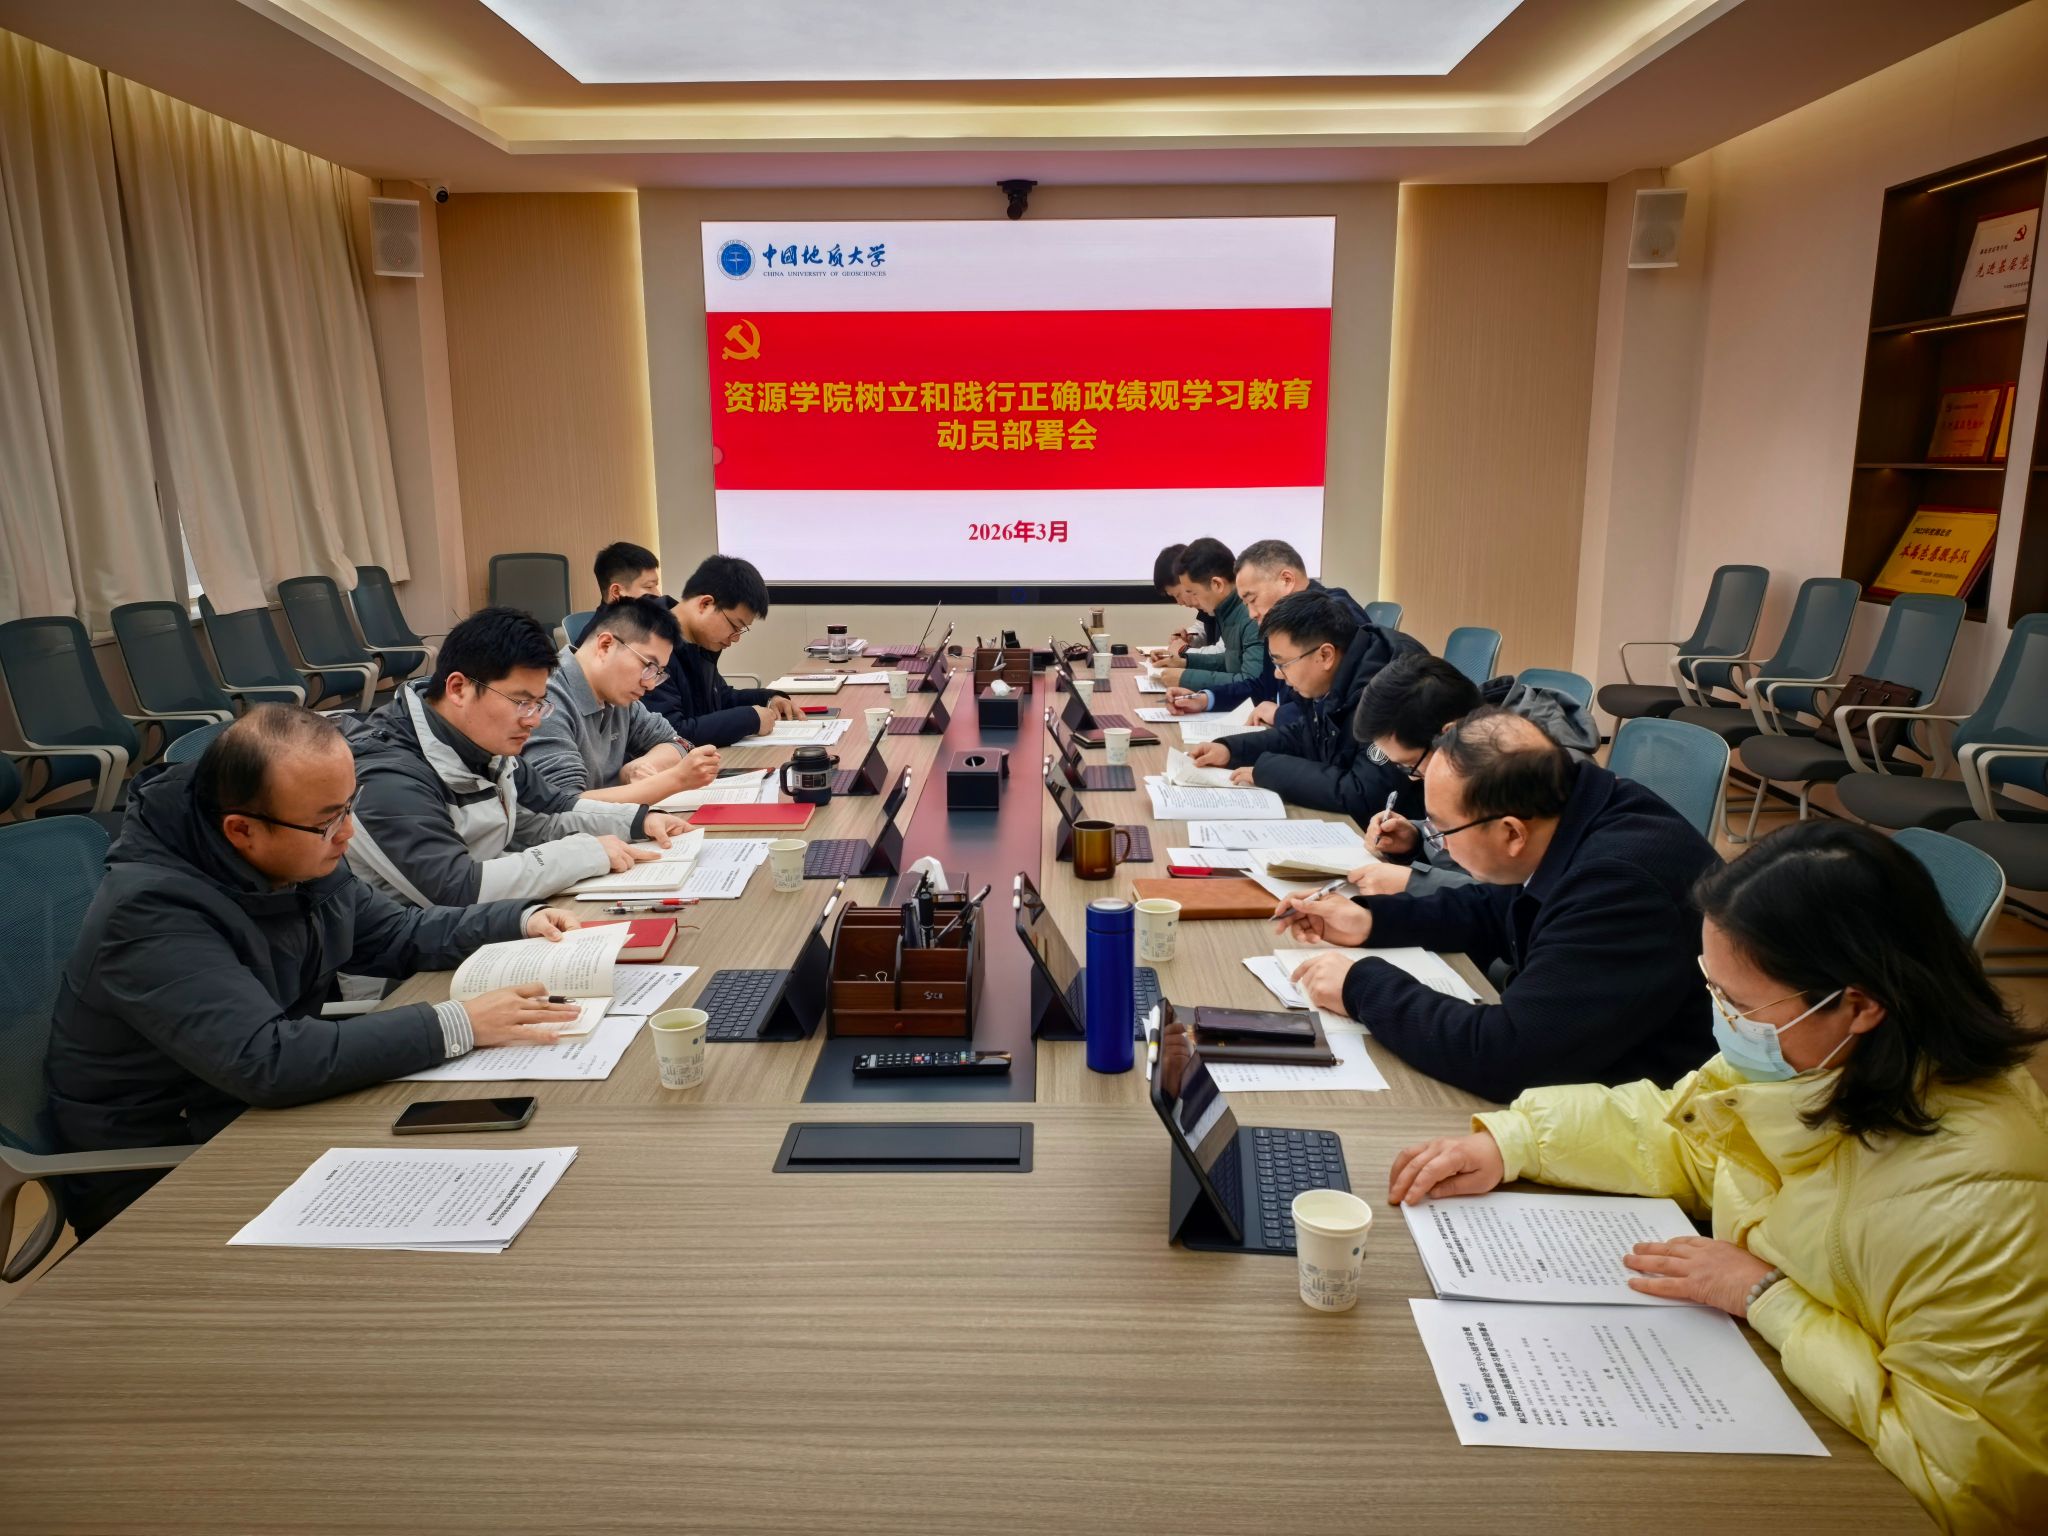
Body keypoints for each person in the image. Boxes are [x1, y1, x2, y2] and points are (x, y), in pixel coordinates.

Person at [1388, 821, 2048, 1536]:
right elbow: (1684, 1133)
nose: (1724, 1021)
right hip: (1776, 1388)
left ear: (1859, 1005)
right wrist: (1515, 1143)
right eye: (1713, 987)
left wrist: (1767, 1297)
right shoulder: (1815, 1059)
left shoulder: (1983, 1201)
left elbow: (1974, 1482)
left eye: (1740, 1004)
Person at [44, 706, 586, 1239]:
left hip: (257, 1115)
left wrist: (518, 919)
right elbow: (267, 1061)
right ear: (242, 830)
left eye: (350, 806)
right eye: (329, 820)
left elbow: (395, 934)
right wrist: (458, 1023)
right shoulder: (149, 913)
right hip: (168, 1174)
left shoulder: (296, 848)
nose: (348, 833)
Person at [1278, 708, 1718, 1101]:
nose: (1438, 843)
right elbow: (1498, 908)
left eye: (1442, 831)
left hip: (1660, 1112)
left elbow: (1508, 1056)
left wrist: (1361, 987)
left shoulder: (1618, 886)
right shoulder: (1571, 809)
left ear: (1511, 833)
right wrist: (1371, 921)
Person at [346, 606, 693, 907]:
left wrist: (639, 821)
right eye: (522, 702)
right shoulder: (389, 777)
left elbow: (555, 808)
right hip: (413, 958)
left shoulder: (485, 745)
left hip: (485, 922)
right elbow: (456, 888)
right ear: (458, 688)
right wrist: (585, 854)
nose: (534, 720)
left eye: (539, 704)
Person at [1349, 654, 1599, 895]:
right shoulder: (1475, 743)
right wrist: (1415, 840)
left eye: (1411, 765)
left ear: (1448, 733)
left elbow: (1521, 898)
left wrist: (1416, 884)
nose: (1412, 778)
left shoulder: (1539, 770)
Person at [1181, 591, 1417, 828]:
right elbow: (1304, 734)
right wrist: (1231, 749)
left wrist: (1268, 771)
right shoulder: (1339, 673)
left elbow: (1365, 792)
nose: (1277, 674)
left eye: (1283, 663)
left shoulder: (1391, 690)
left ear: (1325, 655)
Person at [1168, 540, 1404, 727]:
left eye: (1252, 599)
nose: (1251, 613)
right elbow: (1263, 684)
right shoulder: (1281, 623)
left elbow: (1341, 715)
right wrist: (1207, 698)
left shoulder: (1333, 616)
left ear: (1287, 580)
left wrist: (1282, 715)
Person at [523, 596, 721, 805]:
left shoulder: (617, 696)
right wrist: (675, 779)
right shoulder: (545, 698)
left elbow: (677, 743)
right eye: (648, 666)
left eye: (658, 673)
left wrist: (637, 767)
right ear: (606, 645)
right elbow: (564, 804)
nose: (650, 684)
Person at [647, 553, 801, 747]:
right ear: (705, 604)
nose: (736, 638)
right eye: (735, 626)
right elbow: (671, 733)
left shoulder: (699, 644)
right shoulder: (649, 645)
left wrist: (768, 698)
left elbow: (721, 698)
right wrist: (750, 720)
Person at [1155, 538, 1266, 693]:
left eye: (1193, 592)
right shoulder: (1228, 610)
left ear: (1217, 585)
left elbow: (1252, 683)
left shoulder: (1252, 615)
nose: (1193, 600)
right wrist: (1185, 662)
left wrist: (1186, 678)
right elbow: (1231, 661)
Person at [1153, 542, 1215, 658]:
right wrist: (1190, 638)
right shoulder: (1208, 607)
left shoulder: (1229, 606)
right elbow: (1206, 628)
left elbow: (1224, 653)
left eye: (1178, 595)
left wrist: (1184, 650)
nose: (1180, 603)